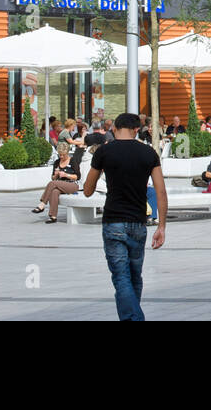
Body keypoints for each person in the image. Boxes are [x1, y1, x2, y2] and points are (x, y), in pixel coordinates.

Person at [83, 113, 167, 321]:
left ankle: (133, 318)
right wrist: (162, 227)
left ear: (114, 128)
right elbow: (161, 192)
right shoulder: (149, 153)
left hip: (113, 221)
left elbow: (87, 190)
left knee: (121, 277)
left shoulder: (104, 151)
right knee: (134, 277)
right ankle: (131, 317)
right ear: (137, 130)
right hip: (138, 223)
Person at [31, 139, 82, 222]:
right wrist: (56, 174)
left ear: (67, 153)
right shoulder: (57, 162)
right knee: (54, 191)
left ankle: (43, 203)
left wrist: (66, 175)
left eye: (63, 155)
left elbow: (78, 176)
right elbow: (53, 178)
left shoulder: (73, 161)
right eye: (60, 154)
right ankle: (53, 216)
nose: (61, 157)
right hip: (59, 184)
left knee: (52, 184)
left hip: (72, 185)